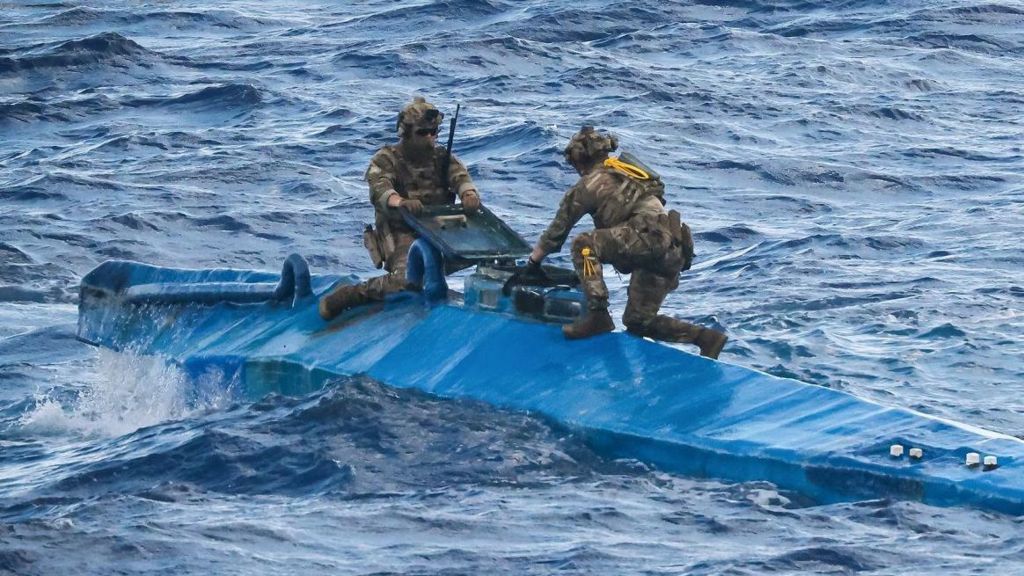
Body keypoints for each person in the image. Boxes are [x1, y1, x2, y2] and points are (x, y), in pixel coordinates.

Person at [526, 126, 728, 359]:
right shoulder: (629, 171)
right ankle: (705, 338)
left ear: (579, 160)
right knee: (638, 321)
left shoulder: (589, 184)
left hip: (647, 240)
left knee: (583, 244)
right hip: (672, 249)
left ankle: (598, 315)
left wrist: (533, 263)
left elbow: (556, 233)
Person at [319, 97, 482, 320]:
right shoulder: (387, 159)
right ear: (405, 133)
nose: (430, 138)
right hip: (400, 231)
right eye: (423, 133)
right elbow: (380, 189)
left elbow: (460, 177)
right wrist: (401, 202)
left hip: (439, 229)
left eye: (434, 132)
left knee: (494, 256)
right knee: (407, 279)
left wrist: (468, 194)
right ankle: (352, 295)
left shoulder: (442, 158)